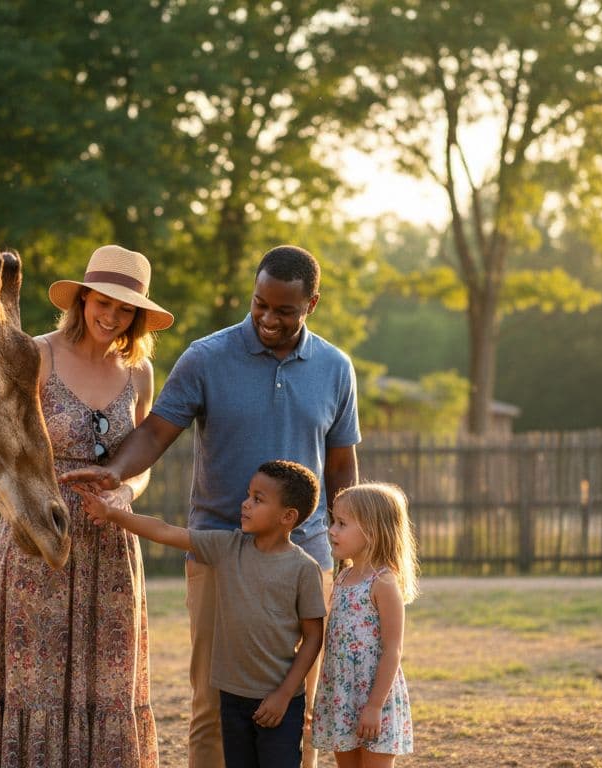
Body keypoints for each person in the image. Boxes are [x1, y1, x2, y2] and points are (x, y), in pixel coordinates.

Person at [62, 244, 360, 768]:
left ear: (311, 304)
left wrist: (350, 546)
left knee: (301, 704)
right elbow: (156, 431)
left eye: (283, 310)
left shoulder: (336, 368)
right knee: (213, 705)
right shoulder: (206, 356)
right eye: (259, 304)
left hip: (307, 558)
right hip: (221, 555)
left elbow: (340, 467)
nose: (268, 318)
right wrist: (114, 471)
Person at [0, 245, 174, 768]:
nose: (111, 315)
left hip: (112, 538)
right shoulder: (38, 354)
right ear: (82, 298)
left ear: (137, 317)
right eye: (102, 302)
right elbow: (4, 440)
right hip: (40, 533)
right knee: (35, 672)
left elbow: (142, 458)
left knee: (107, 674)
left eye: (125, 308)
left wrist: (125, 493)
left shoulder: (140, 372)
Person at [77, 459, 328, 768]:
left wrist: (284, 695)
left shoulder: (305, 569)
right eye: (249, 495)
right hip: (232, 696)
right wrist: (112, 513)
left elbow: (314, 638)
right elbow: (166, 532)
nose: (245, 504)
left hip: (280, 702)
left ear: (287, 517)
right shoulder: (227, 547)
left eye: (258, 500)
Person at [312, 483, 419, 767]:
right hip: (342, 696)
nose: (332, 530)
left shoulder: (383, 582)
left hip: (374, 696)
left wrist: (374, 706)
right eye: (333, 521)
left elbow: (392, 650)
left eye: (342, 524)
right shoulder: (343, 577)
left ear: (372, 531)